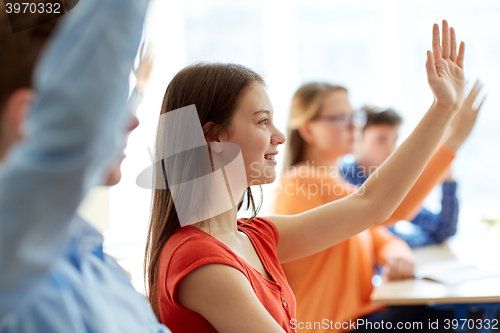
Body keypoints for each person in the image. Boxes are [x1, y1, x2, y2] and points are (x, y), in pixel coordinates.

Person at [146, 21, 468, 332]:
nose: (279, 136)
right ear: (214, 138)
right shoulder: (198, 259)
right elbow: (375, 204)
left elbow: (372, 203)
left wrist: (443, 108)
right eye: (261, 122)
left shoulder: (253, 236)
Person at [0, 0, 170, 331]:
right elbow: (75, 139)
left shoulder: (97, 263)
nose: (133, 120)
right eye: (113, 102)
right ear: (32, 120)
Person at [341, 94, 484, 248]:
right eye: (381, 140)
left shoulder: (389, 182)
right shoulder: (343, 181)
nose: (391, 150)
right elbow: (382, 238)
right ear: (358, 140)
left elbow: (443, 229)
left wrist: (446, 167)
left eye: (395, 140)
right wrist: (451, 143)